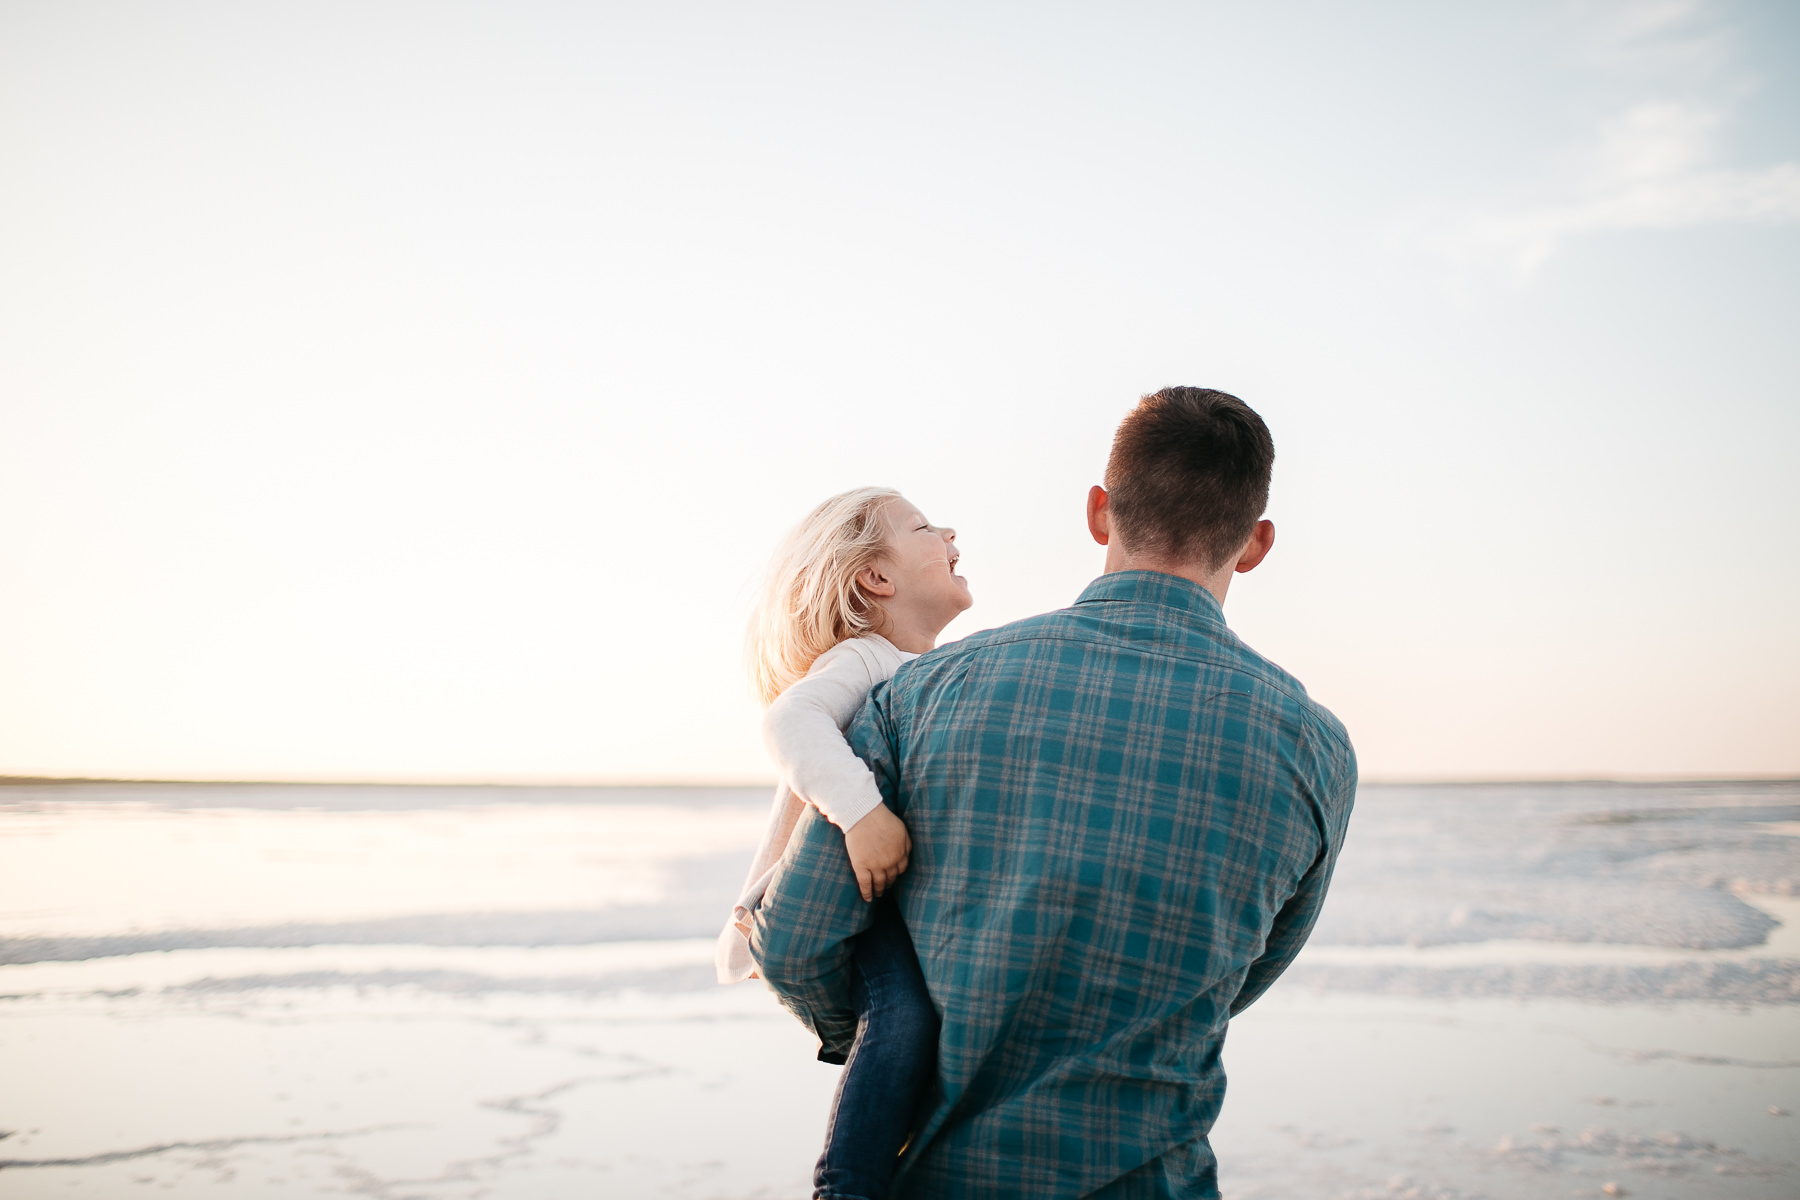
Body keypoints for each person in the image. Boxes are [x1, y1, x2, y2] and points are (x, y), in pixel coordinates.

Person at [754, 387, 1358, 1199]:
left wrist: (900, 1043)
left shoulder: (926, 692)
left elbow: (796, 941)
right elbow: (1242, 979)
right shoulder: (1316, 749)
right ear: (1254, 545)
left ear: (1100, 513)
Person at [716, 486, 972, 1200]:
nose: (951, 532)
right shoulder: (864, 658)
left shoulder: (925, 672)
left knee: (917, 1025)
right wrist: (860, 813)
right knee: (903, 1012)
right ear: (877, 579)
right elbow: (789, 722)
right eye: (925, 527)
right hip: (826, 907)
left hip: (884, 902)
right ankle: (845, 1187)